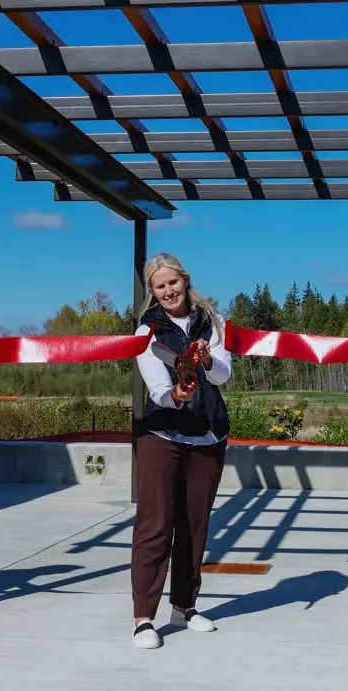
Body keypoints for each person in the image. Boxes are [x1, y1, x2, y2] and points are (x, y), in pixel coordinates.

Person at [129, 253, 232, 649]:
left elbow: (225, 374)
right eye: (160, 286)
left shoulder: (213, 322)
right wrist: (175, 395)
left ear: (186, 281)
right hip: (163, 435)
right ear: (153, 293)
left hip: (208, 435)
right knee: (155, 526)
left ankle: (184, 606)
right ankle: (143, 619)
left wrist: (207, 362)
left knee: (195, 525)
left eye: (173, 282)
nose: (169, 291)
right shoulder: (148, 330)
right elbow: (156, 388)